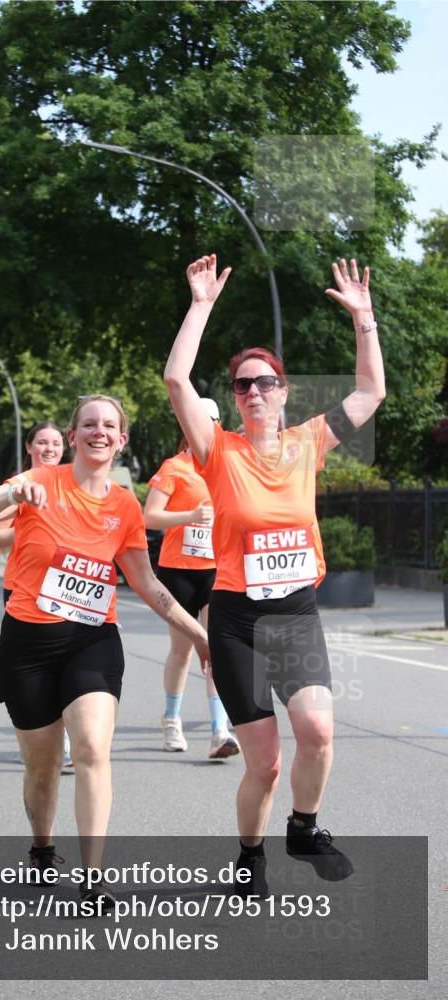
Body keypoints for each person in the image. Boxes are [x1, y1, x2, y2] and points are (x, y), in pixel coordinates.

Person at [164, 254, 385, 893]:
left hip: (293, 613)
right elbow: (177, 380)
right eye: (243, 385)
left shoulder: (308, 443)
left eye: (265, 382)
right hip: (236, 620)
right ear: (233, 399)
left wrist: (364, 317)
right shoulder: (216, 450)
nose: (255, 392)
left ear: (285, 391)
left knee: (316, 730)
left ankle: (304, 825)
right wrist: (201, 304)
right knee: (262, 762)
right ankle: (251, 853)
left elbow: (370, 393)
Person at [0, 396, 211, 902]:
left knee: (93, 748)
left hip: (91, 641)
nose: (99, 432)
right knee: (43, 768)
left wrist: (205, 640)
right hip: (28, 643)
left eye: (109, 425)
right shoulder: (40, 481)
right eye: (88, 424)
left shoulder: (124, 505)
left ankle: (93, 878)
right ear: (72, 437)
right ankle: (42, 847)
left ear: (122, 439)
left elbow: (148, 584)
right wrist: (13, 496)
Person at [145, 400, 239, 760]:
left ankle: (219, 730)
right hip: (179, 570)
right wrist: (190, 515)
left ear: (218, 423)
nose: (202, 427)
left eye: (210, 421)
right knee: (184, 651)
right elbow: (149, 516)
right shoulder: (175, 467)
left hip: (219, 569)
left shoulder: (228, 464)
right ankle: (171, 719)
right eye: (195, 420)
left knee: (217, 648)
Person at [0, 421, 71, 764]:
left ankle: (62, 740)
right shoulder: (18, 486)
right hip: (22, 587)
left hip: (66, 587)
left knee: (69, 665)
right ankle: (39, 729)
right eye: (42, 443)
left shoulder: (73, 484)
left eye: (55, 443)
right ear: (30, 448)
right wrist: (28, 525)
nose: (50, 449)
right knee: (39, 670)